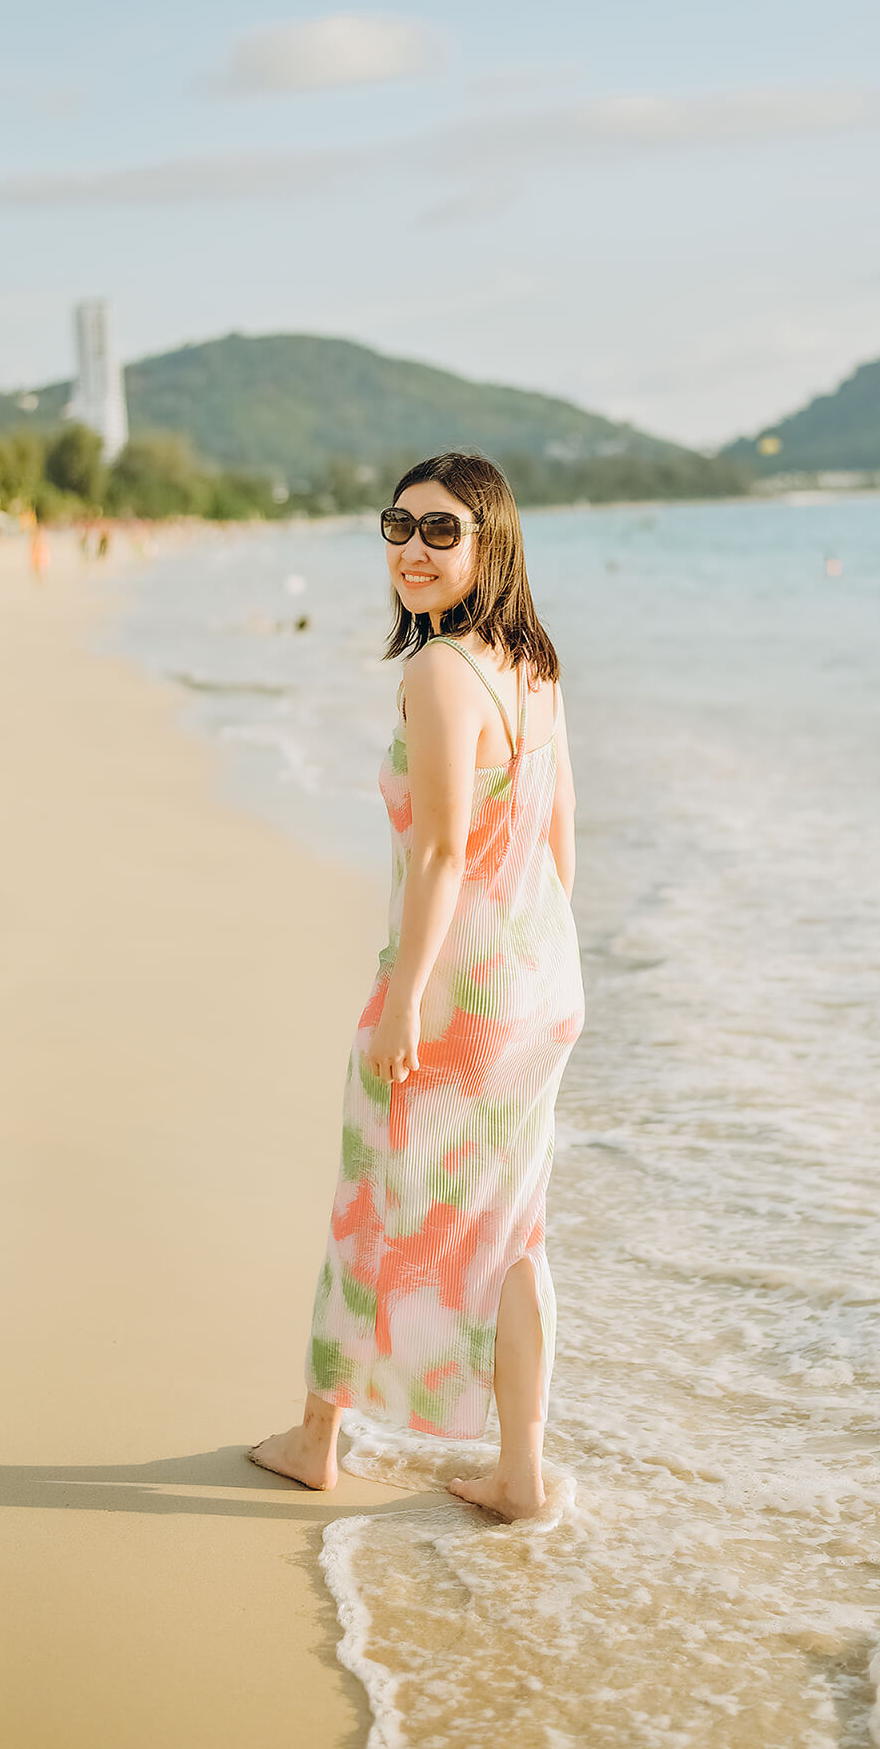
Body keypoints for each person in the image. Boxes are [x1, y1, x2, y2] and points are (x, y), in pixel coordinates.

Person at [251, 452, 583, 1522]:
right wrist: (528, 963)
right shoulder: (533, 664)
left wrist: (404, 1000)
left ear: (489, 544)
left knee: (371, 1196)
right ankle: (519, 1476)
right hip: (538, 978)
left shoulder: (441, 674)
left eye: (442, 532)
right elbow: (558, 844)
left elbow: (441, 854)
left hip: (456, 988)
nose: (413, 549)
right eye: (399, 525)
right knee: (512, 1226)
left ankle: (316, 1437)